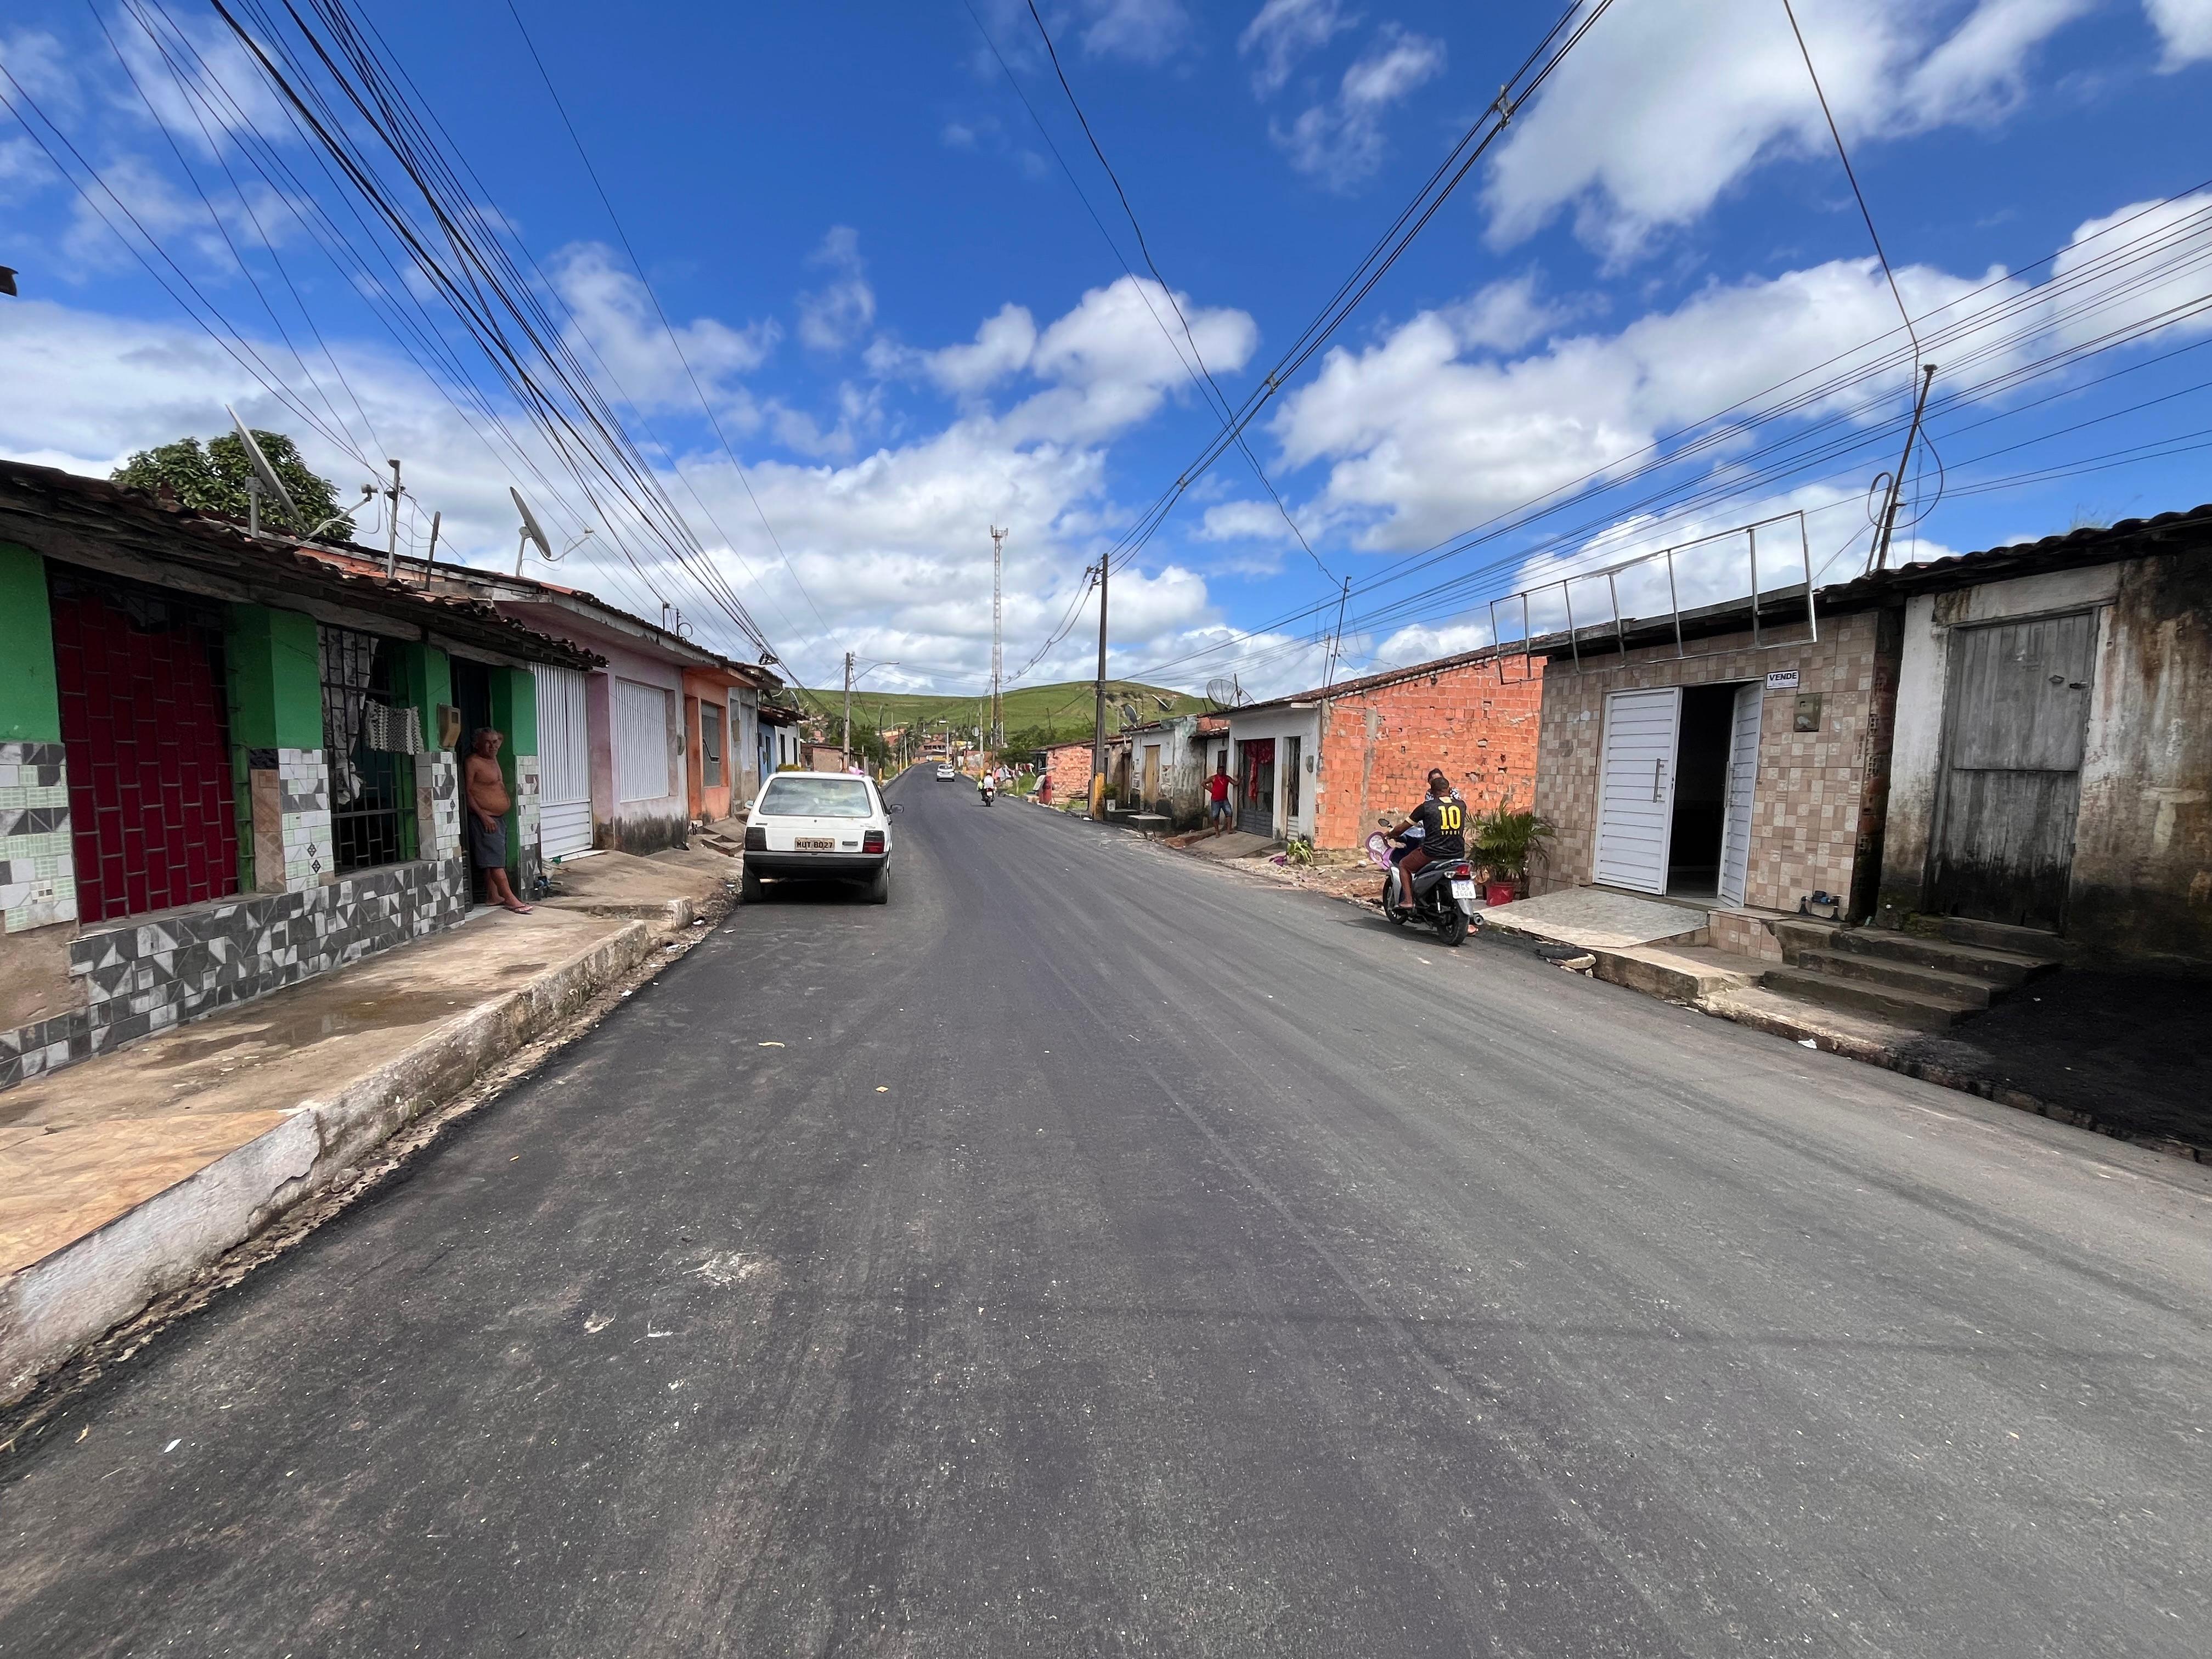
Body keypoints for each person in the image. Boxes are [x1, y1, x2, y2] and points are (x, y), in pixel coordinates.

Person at [464, 727, 533, 914]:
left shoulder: (492, 758)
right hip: (486, 818)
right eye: (487, 742)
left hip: (498, 818)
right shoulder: (473, 762)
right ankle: (511, 900)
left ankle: (493, 896)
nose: (493, 746)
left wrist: (493, 739)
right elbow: (468, 792)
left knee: (495, 858)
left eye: (495, 742)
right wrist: (483, 815)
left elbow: (500, 738)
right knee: (495, 863)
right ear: (476, 744)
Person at [1381, 769, 1468, 913]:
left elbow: (1402, 829)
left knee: (1404, 865)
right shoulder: (1462, 805)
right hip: (1457, 853)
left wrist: (1391, 834)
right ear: (1449, 790)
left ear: (1431, 792)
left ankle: (1408, 901)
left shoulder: (1426, 807)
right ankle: (1467, 921)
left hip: (1433, 853)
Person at [1205, 763, 1234, 834]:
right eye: (1220, 770)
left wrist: (1240, 780)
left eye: (1222, 770)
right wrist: (1210, 790)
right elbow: (1203, 783)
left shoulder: (1227, 778)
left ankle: (1229, 829)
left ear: (1224, 771)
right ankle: (1217, 831)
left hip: (1224, 800)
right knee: (1215, 816)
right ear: (1217, 771)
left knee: (1230, 813)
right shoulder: (1213, 778)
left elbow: (1235, 783)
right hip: (1215, 800)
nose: (1221, 772)